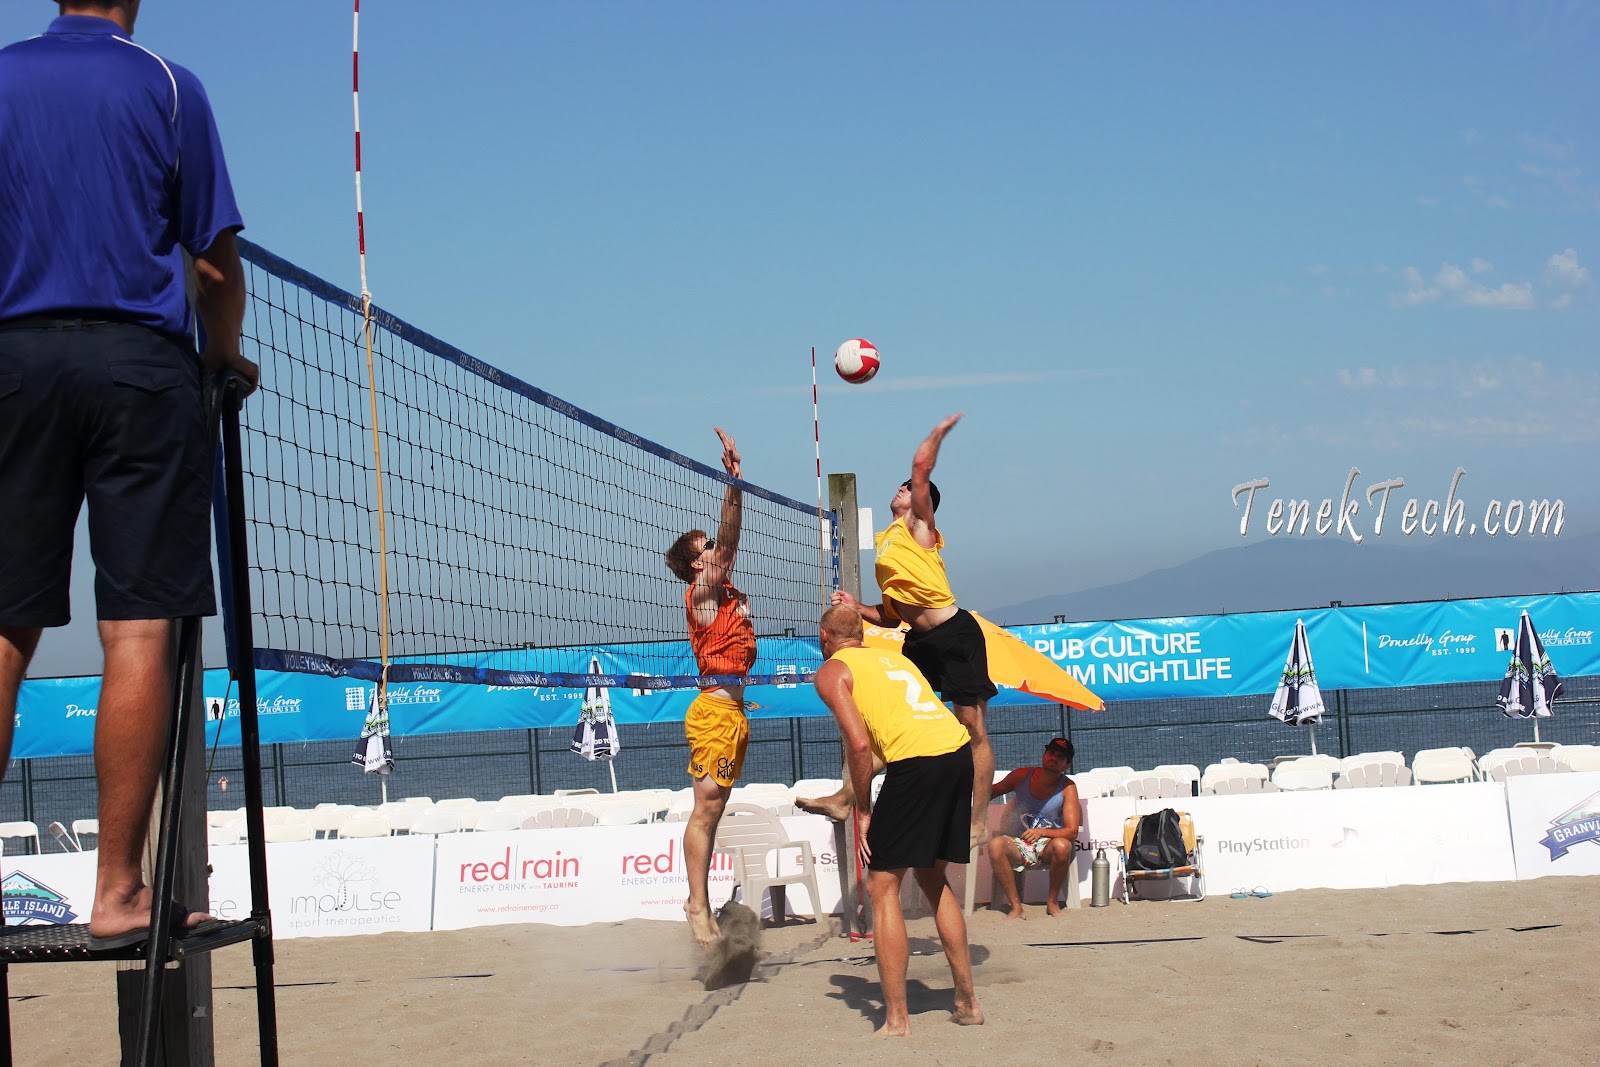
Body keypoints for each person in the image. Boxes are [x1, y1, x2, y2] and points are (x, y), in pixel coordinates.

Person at [0, 1, 258, 950]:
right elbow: (216, 262)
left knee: (4, 621)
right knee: (138, 625)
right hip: (135, 365)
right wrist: (225, 358)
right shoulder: (166, 83)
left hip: (12, 361)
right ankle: (117, 891)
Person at [802, 413, 998, 846]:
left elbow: (922, 470)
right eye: (903, 486)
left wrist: (935, 436)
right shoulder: (888, 539)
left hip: (955, 634)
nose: (902, 487)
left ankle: (978, 822)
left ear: (923, 502)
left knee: (972, 726)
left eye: (908, 488)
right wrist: (857, 607)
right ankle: (846, 797)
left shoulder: (921, 528)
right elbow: (893, 615)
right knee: (887, 718)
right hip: (919, 639)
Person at [813, 604, 982, 1036]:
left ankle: (896, 1020)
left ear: (824, 637)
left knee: (881, 885)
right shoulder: (894, 658)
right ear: (862, 633)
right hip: (958, 754)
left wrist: (863, 809)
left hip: (920, 762)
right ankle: (966, 1001)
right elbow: (887, 739)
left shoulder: (832, 672)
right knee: (931, 877)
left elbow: (858, 743)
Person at [662, 428, 754, 948]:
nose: (718, 549)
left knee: (715, 810)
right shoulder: (701, 592)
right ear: (699, 564)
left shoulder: (725, 591)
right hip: (714, 712)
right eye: (709, 548)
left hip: (735, 713)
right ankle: (696, 903)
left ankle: (703, 900)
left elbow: (730, 542)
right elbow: (732, 537)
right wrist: (732, 483)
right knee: (706, 809)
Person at [987, 737, 1082, 919]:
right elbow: (991, 792)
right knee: (995, 845)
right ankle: (1016, 906)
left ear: (1067, 765)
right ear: (1044, 755)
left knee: (1063, 846)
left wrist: (1042, 832)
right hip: (1017, 842)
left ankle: (1052, 903)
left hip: (1046, 844)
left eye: (1060, 756)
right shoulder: (1022, 775)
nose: (1053, 757)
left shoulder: (1068, 787)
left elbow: (1072, 831)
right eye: (1051, 752)